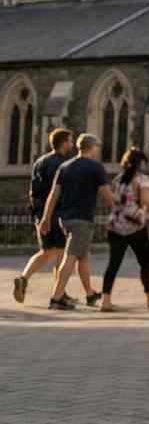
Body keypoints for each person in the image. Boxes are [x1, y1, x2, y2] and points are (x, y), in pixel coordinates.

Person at [36, 133, 115, 310]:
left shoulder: (65, 166)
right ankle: (56, 298)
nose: (97, 150)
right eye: (97, 147)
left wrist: (46, 218)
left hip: (66, 219)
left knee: (83, 255)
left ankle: (90, 294)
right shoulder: (95, 167)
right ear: (92, 147)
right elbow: (106, 193)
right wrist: (119, 208)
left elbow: (53, 195)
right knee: (70, 258)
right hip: (82, 220)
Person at [14, 129, 79, 306]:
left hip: (40, 213)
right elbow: (60, 192)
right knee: (61, 255)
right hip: (56, 214)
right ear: (64, 143)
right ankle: (60, 294)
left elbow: (32, 191)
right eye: (70, 141)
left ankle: (23, 278)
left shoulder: (39, 162)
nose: (72, 145)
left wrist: (40, 215)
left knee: (47, 251)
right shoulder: (64, 164)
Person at [99, 148, 149, 312]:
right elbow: (145, 201)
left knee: (113, 264)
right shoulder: (142, 179)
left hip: (115, 227)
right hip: (135, 228)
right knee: (144, 264)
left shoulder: (118, 179)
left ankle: (105, 300)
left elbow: (114, 201)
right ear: (140, 163)